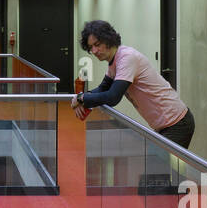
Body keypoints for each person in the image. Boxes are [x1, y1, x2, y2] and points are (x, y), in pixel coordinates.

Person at [73, 19, 195, 151]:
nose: (95, 51)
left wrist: (82, 99)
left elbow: (113, 97)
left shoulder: (126, 58)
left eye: (97, 44)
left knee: (160, 167)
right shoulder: (113, 62)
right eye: (91, 48)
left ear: (108, 39)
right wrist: (81, 97)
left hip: (177, 122)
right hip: (164, 124)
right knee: (161, 168)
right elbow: (103, 88)